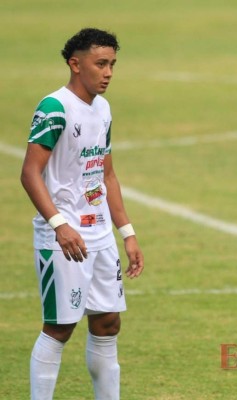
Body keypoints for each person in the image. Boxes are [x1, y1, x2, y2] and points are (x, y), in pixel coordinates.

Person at [20, 28, 144, 399]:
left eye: (112, 65)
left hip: (100, 234)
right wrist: (59, 225)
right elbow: (29, 173)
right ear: (75, 64)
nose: (108, 72)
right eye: (100, 64)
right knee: (59, 327)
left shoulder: (103, 109)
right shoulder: (54, 108)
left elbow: (105, 173)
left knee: (107, 322)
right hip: (64, 237)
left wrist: (127, 232)